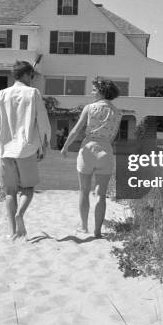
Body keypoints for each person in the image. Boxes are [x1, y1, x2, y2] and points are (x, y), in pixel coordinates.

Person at [0, 61, 51, 239]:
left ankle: (12, 232)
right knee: (28, 188)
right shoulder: (33, 93)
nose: (33, 80)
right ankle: (20, 215)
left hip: (6, 149)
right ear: (26, 75)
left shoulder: (2, 94)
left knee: (10, 192)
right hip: (26, 148)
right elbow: (42, 122)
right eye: (32, 76)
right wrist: (43, 147)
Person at [61, 79, 122, 238]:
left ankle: (84, 226)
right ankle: (97, 231)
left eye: (94, 90)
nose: (91, 92)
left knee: (84, 190)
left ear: (102, 91)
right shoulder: (118, 112)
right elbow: (113, 136)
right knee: (101, 194)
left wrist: (65, 146)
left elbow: (75, 130)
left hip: (88, 149)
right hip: (106, 151)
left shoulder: (89, 108)